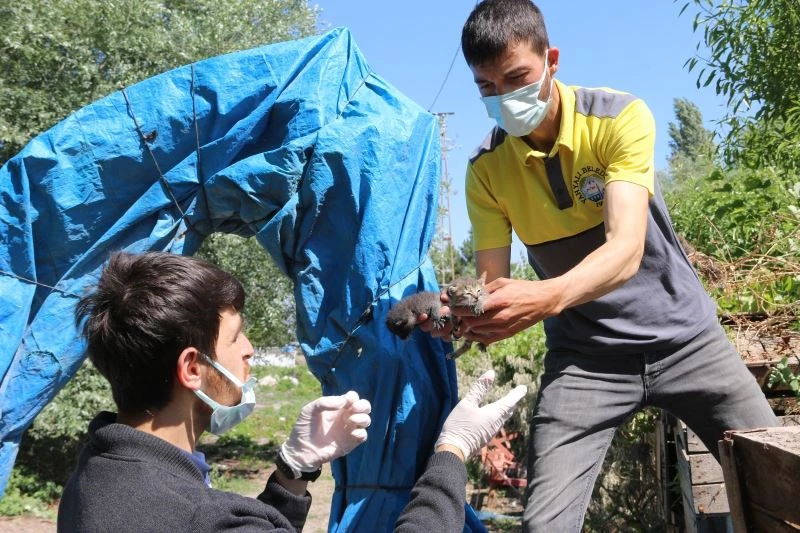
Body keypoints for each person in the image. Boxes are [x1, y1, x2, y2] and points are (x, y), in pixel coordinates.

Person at [418, 1, 778, 531]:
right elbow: (491, 285)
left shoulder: (617, 117)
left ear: (552, 60)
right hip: (586, 360)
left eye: (516, 78)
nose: (504, 98)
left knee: (781, 485)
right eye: (487, 88)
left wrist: (545, 298)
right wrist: (459, 312)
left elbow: (626, 250)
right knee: (544, 525)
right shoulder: (486, 171)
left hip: (687, 341)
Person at [57, 251, 526, 532]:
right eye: (237, 336)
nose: (250, 350)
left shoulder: (95, 477)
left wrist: (291, 473)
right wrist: (452, 451)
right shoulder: (199, 514)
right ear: (192, 367)